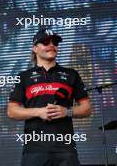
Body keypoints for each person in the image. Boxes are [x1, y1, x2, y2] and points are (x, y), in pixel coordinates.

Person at [7, 28, 92, 166]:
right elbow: (12, 111)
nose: (51, 45)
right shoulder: (23, 76)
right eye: (46, 42)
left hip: (66, 150)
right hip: (34, 150)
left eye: (55, 42)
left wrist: (66, 111)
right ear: (35, 48)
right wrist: (38, 112)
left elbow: (87, 108)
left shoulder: (71, 74)